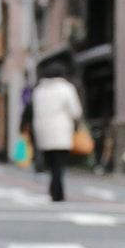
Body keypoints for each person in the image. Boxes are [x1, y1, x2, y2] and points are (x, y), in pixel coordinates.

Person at [31, 60, 83, 202]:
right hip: (61, 131)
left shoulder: (39, 91)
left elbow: (35, 111)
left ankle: (53, 190)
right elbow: (76, 111)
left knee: (51, 163)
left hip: (43, 132)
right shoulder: (66, 89)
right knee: (59, 165)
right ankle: (58, 193)